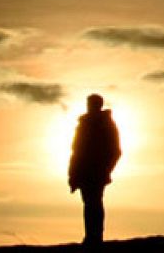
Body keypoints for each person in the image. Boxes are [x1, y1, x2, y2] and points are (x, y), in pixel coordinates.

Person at [68, 94, 122, 246]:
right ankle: (90, 236)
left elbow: (116, 151)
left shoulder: (106, 124)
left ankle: (95, 237)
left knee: (94, 202)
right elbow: (76, 151)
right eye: (88, 104)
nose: (89, 106)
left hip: (96, 171)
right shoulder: (83, 124)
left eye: (91, 104)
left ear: (98, 105)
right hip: (83, 171)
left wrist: (106, 169)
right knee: (89, 203)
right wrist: (73, 174)